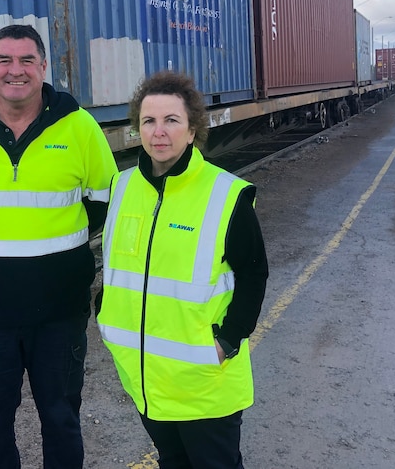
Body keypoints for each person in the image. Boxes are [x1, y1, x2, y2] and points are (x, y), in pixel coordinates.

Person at [0, 24, 118, 468]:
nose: (16, 71)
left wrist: (54, 245)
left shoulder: (78, 125)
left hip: (58, 309)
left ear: (43, 67)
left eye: (27, 60)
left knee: (61, 417)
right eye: (5, 61)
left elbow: (104, 201)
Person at [96, 70, 269, 469]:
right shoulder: (122, 188)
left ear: (193, 131)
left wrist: (228, 341)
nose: (159, 132)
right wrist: (104, 310)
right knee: (172, 462)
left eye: (172, 121)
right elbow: (120, 266)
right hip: (146, 381)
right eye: (149, 121)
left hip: (204, 383)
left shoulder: (226, 195)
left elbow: (253, 276)